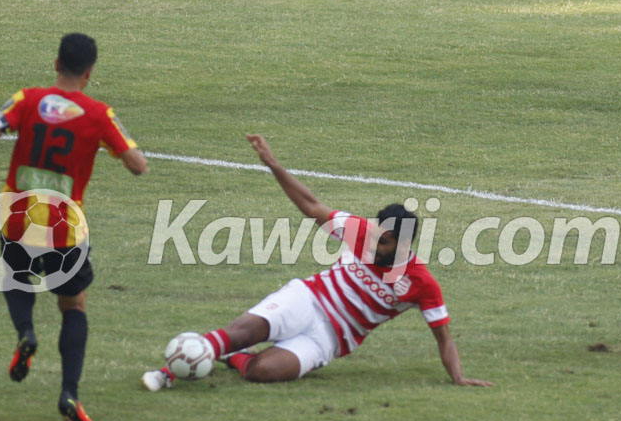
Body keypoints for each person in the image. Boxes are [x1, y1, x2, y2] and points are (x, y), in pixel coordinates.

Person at [141, 134, 492, 391]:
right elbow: (310, 205)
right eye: (374, 234)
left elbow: (443, 337)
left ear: (402, 244)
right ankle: (168, 373)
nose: (373, 242)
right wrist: (274, 165)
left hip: (329, 338)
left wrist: (457, 376)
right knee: (241, 331)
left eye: (382, 242)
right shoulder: (360, 231)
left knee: (261, 372)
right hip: (307, 300)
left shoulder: (421, 283)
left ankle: (235, 356)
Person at [0, 33, 149, 421]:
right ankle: (69, 394)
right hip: (65, 233)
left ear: (56, 64)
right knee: (73, 306)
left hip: (18, 218)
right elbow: (137, 165)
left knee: (16, 277)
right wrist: (111, 140)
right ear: (90, 71)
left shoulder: (27, 100)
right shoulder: (99, 114)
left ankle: (26, 332)